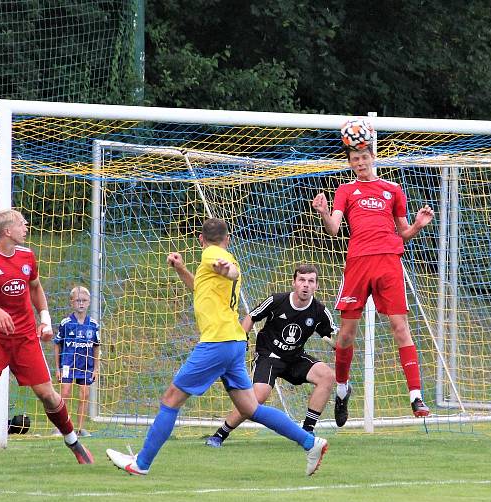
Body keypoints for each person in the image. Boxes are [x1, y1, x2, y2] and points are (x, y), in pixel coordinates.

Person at [106, 218, 328, 476]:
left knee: (170, 399)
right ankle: (311, 443)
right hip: (233, 342)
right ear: (228, 238)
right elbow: (200, 289)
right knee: (250, 408)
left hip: (217, 343)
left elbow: (227, 268)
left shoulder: (213, 255)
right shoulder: (215, 264)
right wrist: (181, 268)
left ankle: (141, 463)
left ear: (201, 239)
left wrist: (227, 269)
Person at [312, 130, 434, 426]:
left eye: (364, 157)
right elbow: (333, 229)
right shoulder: (345, 190)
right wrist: (324, 212)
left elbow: (403, 231)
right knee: (346, 335)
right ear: (351, 163)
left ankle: (415, 395)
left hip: (388, 263)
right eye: (355, 159)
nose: (360, 162)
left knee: (399, 326)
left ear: (373, 158)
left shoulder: (393, 190)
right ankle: (342, 389)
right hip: (357, 264)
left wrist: (418, 225)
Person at [0, 209, 93, 466]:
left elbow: (35, 287)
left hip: (25, 339)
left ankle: (73, 441)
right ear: (7, 231)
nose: (26, 227)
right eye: (22, 224)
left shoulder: (27, 255)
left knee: (48, 395)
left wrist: (45, 319)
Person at [205, 263, 337, 447]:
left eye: (310, 281)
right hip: (269, 356)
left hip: (295, 358)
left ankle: (307, 431)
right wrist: (242, 341)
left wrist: (339, 344)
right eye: (302, 280)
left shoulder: (320, 311)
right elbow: (252, 316)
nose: (306, 285)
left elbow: (335, 338)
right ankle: (220, 435)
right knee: (256, 398)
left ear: (316, 286)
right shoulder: (277, 300)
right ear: (294, 282)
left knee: (328, 376)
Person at [52, 286, 100, 437]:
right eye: (78, 300)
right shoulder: (66, 323)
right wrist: (57, 368)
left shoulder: (93, 324)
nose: (81, 303)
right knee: (64, 393)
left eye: (84, 300)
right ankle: (61, 428)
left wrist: (96, 368)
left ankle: (79, 429)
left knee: (84, 395)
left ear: (89, 302)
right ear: (71, 302)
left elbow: (96, 347)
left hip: (86, 365)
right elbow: (57, 344)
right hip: (67, 363)